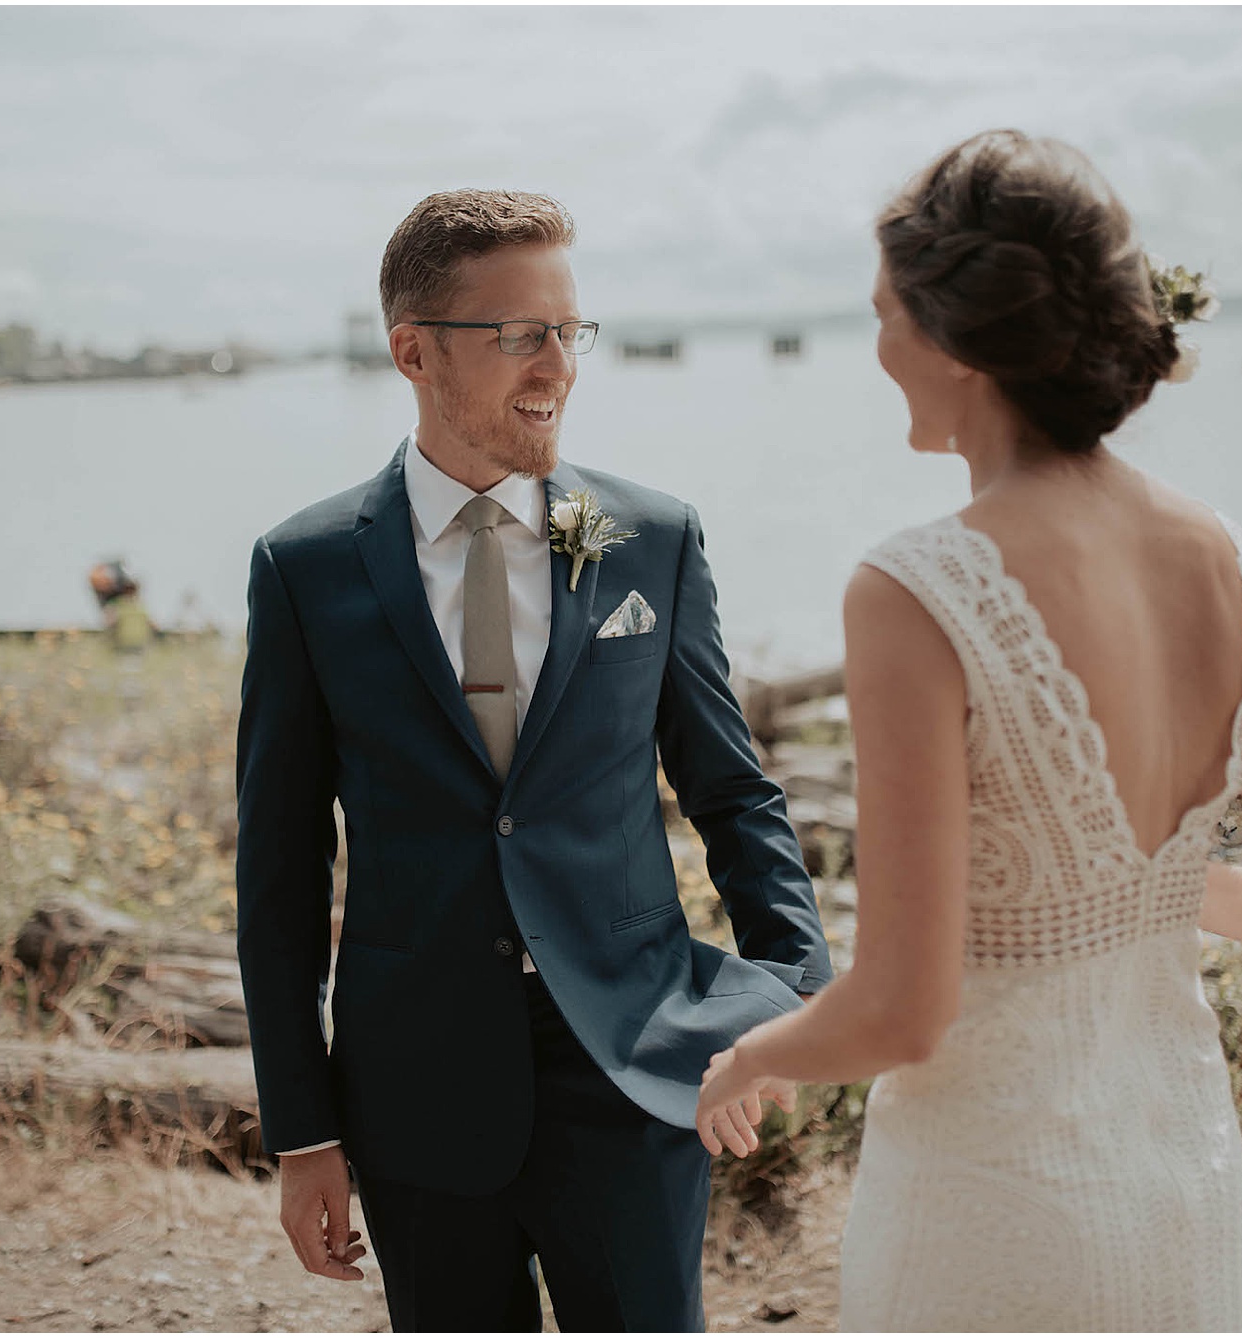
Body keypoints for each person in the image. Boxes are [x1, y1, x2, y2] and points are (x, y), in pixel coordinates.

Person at [694, 130, 1242, 1331]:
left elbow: (901, 1012)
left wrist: (750, 1057)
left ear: (954, 342)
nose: (874, 349)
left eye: (882, 315)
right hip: (1175, 1184)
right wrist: (1159, 883)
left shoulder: (917, 591)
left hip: (988, 1217)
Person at [234, 189, 832, 1331]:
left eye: (568, 330)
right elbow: (278, 869)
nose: (556, 362)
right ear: (413, 351)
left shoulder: (651, 539)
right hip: (413, 1083)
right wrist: (301, 1130)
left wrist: (783, 1011)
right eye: (519, 333)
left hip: (639, 1062)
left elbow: (734, 795)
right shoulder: (304, 569)